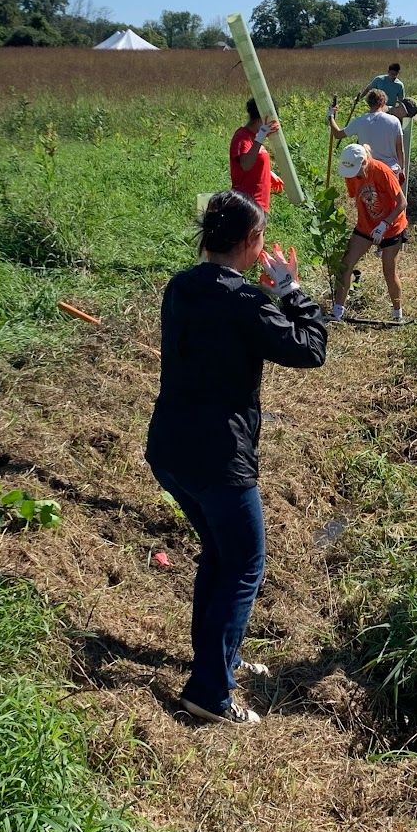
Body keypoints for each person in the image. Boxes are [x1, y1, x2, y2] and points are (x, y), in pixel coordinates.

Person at [146, 191, 327, 724]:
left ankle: (216, 659)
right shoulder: (246, 302)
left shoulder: (180, 286)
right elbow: (311, 349)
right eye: (261, 237)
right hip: (220, 457)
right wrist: (289, 290)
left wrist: (265, 297)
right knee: (245, 563)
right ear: (251, 241)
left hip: (170, 448)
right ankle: (209, 694)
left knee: (220, 554)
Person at [330, 142, 407, 323]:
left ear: (364, 162)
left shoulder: (382, 171)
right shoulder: (351, 172)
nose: (354, 176)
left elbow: (402, 203)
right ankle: (337, 312)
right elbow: (356, 195)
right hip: (365, 226)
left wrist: (384, 224)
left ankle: (397, 315)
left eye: (356, 171)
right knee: (346, 264)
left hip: (392, 226)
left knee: (389, 271)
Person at [330, 88, 405, 174]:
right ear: (383, 103)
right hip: (390, 170)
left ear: (368, 103)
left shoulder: (359, 121)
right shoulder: (394, 121)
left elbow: (338, 134)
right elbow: (400, 149)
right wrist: (402, 170)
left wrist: (331, 116)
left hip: (369, 170)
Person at [229, 98, 286, 210]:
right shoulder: (243, 137)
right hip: (247, 204)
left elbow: (256, 160)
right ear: (262, 118)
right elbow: (246, 164)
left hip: (259, 204)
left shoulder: (253, 137)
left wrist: (268, 174)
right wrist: (261, 136)